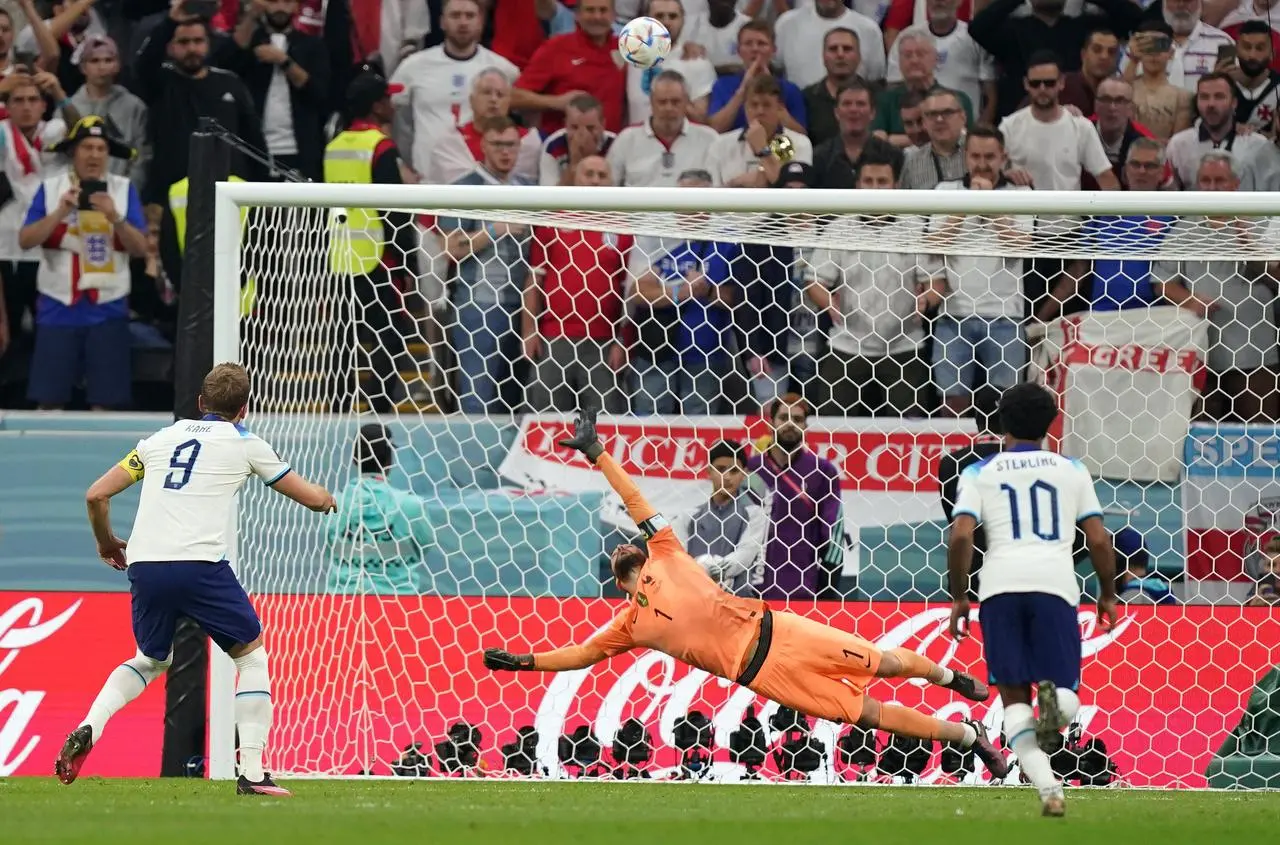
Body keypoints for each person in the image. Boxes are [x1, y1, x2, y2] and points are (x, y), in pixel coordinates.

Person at [483, 405, 1010, 778]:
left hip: (778, 629)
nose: (624, 548)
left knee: (881, 662)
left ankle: (949, 676)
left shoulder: (667, 549)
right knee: (866, 713)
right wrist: (524, 662)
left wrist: (598, 452)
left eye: (628, 546)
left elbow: (634, 496)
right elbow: (579, 655)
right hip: (765, 674)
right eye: (618, 553)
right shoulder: (629, 626)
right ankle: (968, 737)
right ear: (615, 575)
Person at [59, 363, 336, 795]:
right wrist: (327, 500)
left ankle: (89, 726)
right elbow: (312, 499)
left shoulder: (158, 441)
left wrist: (106, 543)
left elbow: (96, 494)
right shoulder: (246, 444)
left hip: (145, 565)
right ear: (244, 409)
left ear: (200, 402)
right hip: (200, 567)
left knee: (151, 659)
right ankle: (255, 772)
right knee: (251, 657)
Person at [947, 382, 1118, 817]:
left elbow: (962, 534)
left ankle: (1049, 791)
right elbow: (1098, 539)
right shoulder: (1072, 469)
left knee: (1013, 702)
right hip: (1054, 587)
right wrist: (1108, 593)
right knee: (1064, 697)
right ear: (1051, 423)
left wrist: (960, 597)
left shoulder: (978, 473)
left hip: (999, 590)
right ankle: (1054, 713)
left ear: (1001, 422)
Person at [324, 71, 418, 413]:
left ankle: (337, 411)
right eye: (387, 99)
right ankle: (378, 410)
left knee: (343, 343)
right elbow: (395, 213)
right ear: (377, 105)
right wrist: (409, 264)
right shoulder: (380, 147)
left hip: (341, 257)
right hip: (380, 257)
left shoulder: (333, 148)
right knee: (389, 339)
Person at [326, 423, 433, 594]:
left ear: (354, 459)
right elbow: (425, 546)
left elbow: (330, 546)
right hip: (400, 601)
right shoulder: (411, 506)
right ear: (390, 459)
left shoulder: (332, 504)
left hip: (343, 602)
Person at [674, 439, 768, 596]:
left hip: (738, 602)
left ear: (744, 473)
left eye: (734, 471)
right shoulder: (687, 516)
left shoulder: (755, 514)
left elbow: (745, 555)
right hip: (693, 598)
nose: (727, 477)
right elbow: (677, 557)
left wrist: (705, 568)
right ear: (709, 471)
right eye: (721, 469)